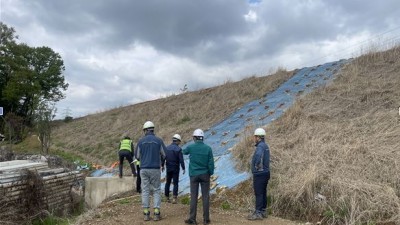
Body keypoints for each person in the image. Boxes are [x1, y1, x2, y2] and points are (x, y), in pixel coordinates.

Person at [135, 121, 167, 221]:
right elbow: (165, 154)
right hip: (155, 169)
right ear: (153, 129)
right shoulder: (159, 140)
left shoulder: (140, 141)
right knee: (156, 190)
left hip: (144, 169)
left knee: (145, 190)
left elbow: (137, 156)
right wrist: (161, 162)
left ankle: (146, 213)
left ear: (145, 130)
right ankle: (157, 213)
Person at [183, 129, 214, 225]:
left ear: (195, 138)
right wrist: (210, 172)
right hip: (205, 175)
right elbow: (211, 163)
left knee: (194, 197)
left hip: (194, 175)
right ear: (202, 138)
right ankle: (206, 219)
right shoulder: (208, 148)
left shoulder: (191, 147)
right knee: (205, 197)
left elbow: (183, 152)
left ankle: (192, 219)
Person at [247, 128, 270, 220]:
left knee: (259, 193)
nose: (254, 138)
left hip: (260, 174)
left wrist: (256, 167)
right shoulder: (265, 145)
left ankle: (258, 212)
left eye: (255, 136)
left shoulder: (260, 147)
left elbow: (258, 157)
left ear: (258, 137)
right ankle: (263, 211)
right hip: (266, 173)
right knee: (263, 192)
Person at [164, 134, 185, 204]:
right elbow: (181, 160)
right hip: (176, 168)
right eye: (179, 141)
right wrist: (183, 168)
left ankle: (167, 197)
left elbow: (163, 157)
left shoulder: (167, 148)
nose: (179, 143)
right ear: (178, 141)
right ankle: (174, 198)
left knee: (168, 182)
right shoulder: (179, 149)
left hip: (168, 167)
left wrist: (162, 165)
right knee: (175, 183)